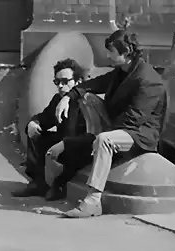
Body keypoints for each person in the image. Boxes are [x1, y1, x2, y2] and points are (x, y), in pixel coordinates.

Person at [54, 29, 167, 219]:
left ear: (126, 53)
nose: (108, 56)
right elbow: (93, 84)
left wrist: (105, 135)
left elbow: (134, 119)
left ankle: (93, 201)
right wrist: (68, 97)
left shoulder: (148, 80)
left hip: (139, 135)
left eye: (112, 52)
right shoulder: (120, 72)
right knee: (86, 97)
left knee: (105, 141)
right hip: (120, 127)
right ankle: (93, 141)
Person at [12, 58, 109, 201]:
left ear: (77, 81)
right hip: (64, 142)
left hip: (82, 148)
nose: (60, 86)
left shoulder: (89, 102)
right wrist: (34, 123)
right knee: (35, 135)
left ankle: (59, 184)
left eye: (65, 81)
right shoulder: (58, 100)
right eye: (57, 82)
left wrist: (66, 143)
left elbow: (93, 136)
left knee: (76, 154)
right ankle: (38, 182)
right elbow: (45, 118)